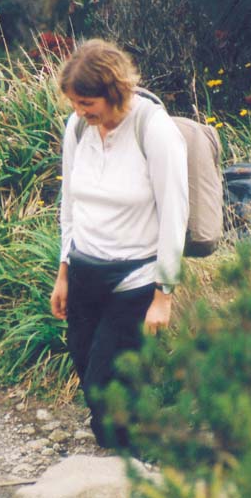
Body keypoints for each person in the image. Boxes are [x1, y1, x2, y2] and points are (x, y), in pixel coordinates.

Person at [49, 39, 189, 450]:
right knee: (86, 368)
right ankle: (124, 438)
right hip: (83, 269)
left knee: (103, 379)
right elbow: (69, 202)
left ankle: (136, 456)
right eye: (74, 102)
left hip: (135, 276)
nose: (80, 111)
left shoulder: (155, 130)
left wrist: (164, 294)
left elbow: (174, 215)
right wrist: (63, 272)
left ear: (115, 92)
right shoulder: (77, 129)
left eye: (87, 102)